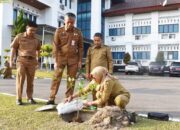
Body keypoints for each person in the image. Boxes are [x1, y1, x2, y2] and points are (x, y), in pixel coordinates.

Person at [46, 12, 83, 105]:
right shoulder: (59, 31)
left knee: (71, 80)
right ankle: (51, 98)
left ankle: (68, 99)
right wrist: (55, 60)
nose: (70, 24)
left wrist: (79, 61)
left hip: (73, 60)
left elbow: (81, 47)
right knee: (56, 78)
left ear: (74, 22)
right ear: (64, 21)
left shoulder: (78, 32)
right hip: (60, 59)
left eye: (72, 22)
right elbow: (55, 46)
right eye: (68, 22)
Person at [66, 66, 130, 110]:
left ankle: (121, 111)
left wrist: (90, 103)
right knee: (99, 96)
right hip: (111, 98)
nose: (93, 78)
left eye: (94, 76)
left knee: (119, 100)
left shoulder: (108, 81)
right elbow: (84, 90)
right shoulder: (95, 81)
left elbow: (103, 99)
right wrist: (72, 96)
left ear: (100, 75)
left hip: (121, 95)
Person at [10, 21, 41, 105]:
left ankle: (30, 98)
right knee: (20, 79)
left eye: (35, 30)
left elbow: (38, 50)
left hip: (32, 61)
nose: (33, 32)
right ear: (27, 28)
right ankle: (18, 99)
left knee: (30, 81)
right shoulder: (19, 36)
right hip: (21, 60)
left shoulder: (36, 39)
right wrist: (11, 60)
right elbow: (13, 48)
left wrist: (38, 61)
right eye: (31, 30)